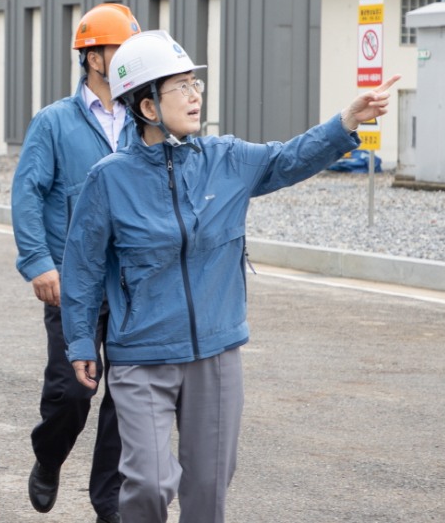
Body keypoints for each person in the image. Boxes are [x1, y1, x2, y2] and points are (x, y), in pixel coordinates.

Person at [60, 30, 399, 523]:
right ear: (149, 107)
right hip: (142, 357)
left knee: (208, 488)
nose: (195, 95)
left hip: (216, 355)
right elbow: (83, 266)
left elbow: (289, 158)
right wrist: (79, 342)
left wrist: (346, 121)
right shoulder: (109, 178)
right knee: (150, 483)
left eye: (195, 84)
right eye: (180, 87)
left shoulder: (227, 159)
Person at [12, 3, 141, 523]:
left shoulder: (145, 118)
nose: (129, 60)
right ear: (92, 57)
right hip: (74, 283)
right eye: (119, 50)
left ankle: (109, 502)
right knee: (72, 391)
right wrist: (38, 262)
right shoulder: (54, 123)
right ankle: (49, 456)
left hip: (135, 284)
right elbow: (27, 194)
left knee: (127, 398)